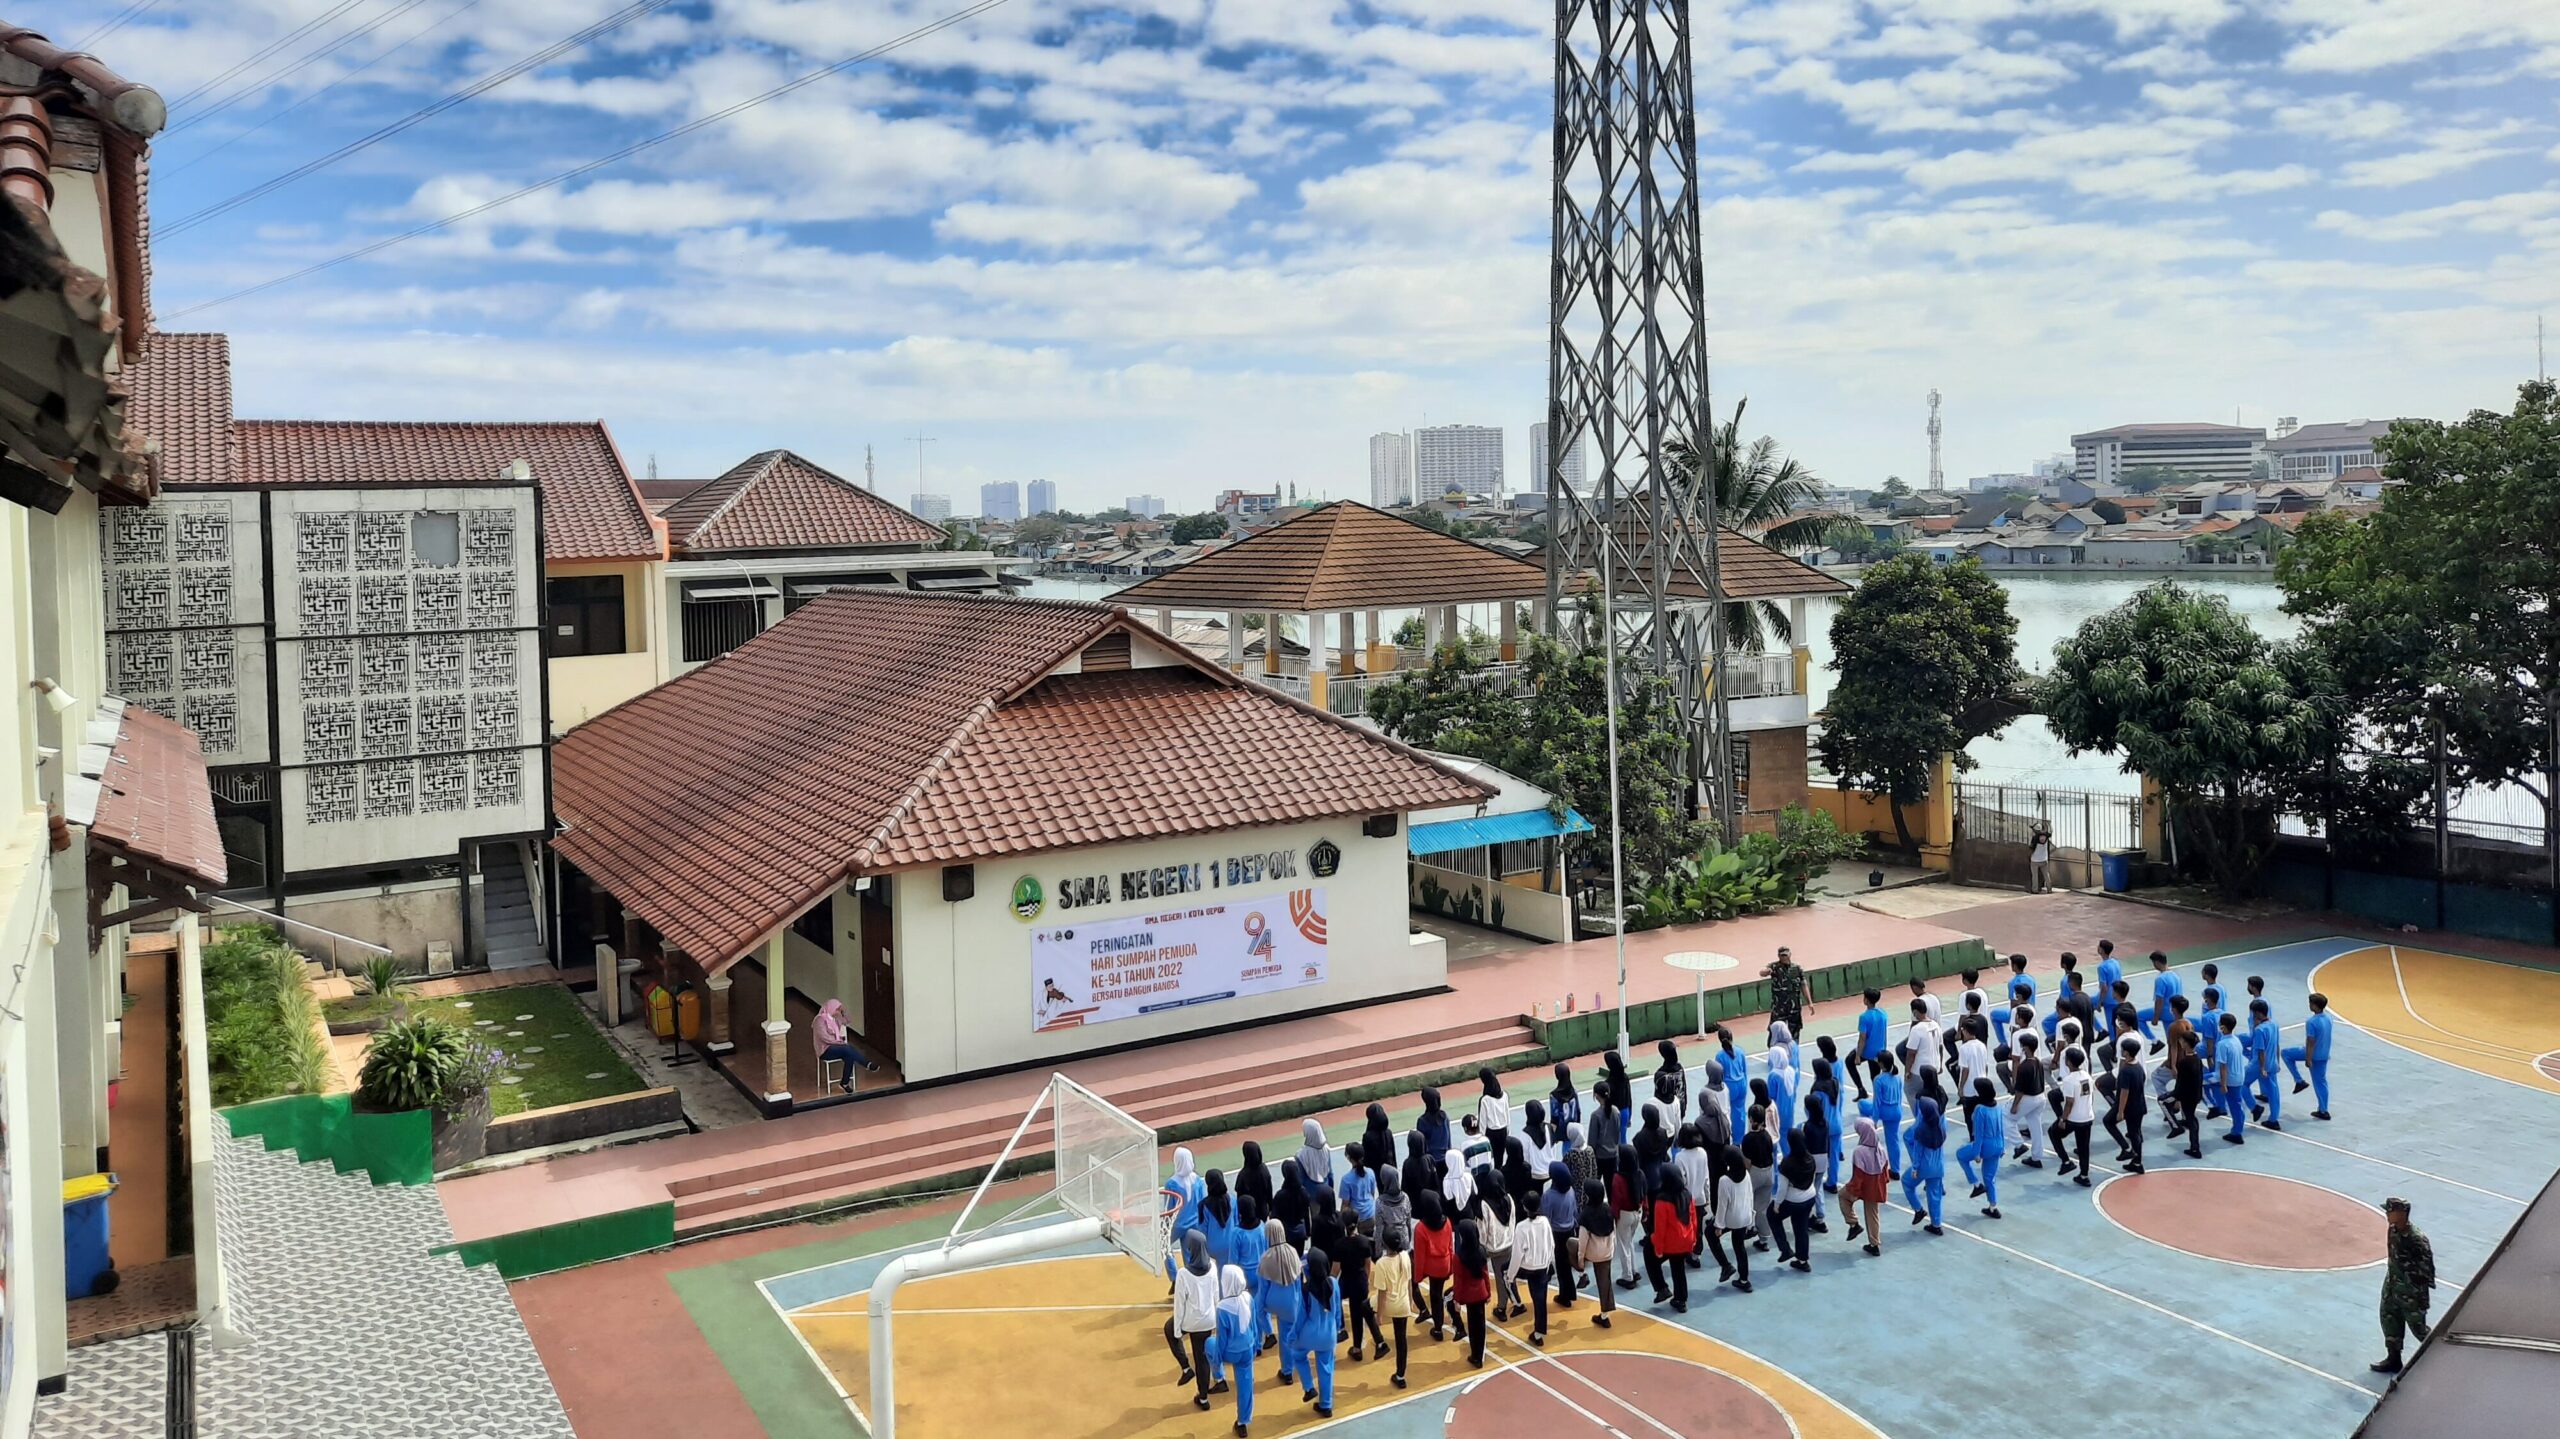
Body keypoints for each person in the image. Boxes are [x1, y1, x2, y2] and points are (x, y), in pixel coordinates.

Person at [2372, 1198, 2437, 1374]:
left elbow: (2426, 1270)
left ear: (2401, 1214)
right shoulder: (2392, 1230)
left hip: (2411, 1292)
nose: (2387, 1213)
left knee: (2419, 1329)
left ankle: (2440, 1361)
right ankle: (2394, 1359)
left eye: (2390, 1211)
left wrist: (2417, 1293)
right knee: (2389, 1320)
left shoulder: (2417, 1239)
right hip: (2393, 1285)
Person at [1167, 1229, 1221, 1409]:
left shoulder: (1183, 1274)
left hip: (1191, 1321)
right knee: (1202, 1359)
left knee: (1168, 1328)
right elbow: (1216, 1296)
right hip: (1209, 1320)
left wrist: (1177, 1332)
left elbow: (1179, 1305)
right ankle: (1203, 1399)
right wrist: (1217, 1321)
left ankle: (1185, 1367)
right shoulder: (1212, 1266)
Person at [1287, 1247, 1340, 1416]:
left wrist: (1292, 1335)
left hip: (1309, 1334)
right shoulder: (1334, 1283)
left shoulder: (1306, 1289)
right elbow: (1337, 1310)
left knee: (1297, 1354)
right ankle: (1326, 1405)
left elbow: (1300, 1318)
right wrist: (1337, 1327)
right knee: (1326, 1367)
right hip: (1329, 1334)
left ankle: (1309, 1387)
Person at [1253, 1222, 1303, 1387]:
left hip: (1274, 1302)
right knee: (1288, 1335)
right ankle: (1289, 1370)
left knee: (1259, 1310)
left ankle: (1268, 1334)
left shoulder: (1266, 1258)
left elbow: (1263, 1290)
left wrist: (1261, 1308)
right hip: (1293, 1302)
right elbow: (1299, 1281)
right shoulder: (1293, 1252)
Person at [1212, 1264, 1259, 1438]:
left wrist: (1217, 1361)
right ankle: (1242, 1422)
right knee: (1246, 1385)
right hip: (1247, 1349)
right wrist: (1255, 1346)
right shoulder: (1248, 1298)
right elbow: (1254, 1325)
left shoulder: (1222, 1307)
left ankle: (1219, 1377)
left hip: (1230, 1352)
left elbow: (1221, 1340)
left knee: (1209, 1343)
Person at [1644, 1161, 1699, 1310]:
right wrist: (1693, 1240)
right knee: (1678, 1268)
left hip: (1670, 1243)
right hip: (1686, 1241)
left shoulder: (1662, 1200)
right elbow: (1694, 1220)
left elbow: (1660, 1228)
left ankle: (1662, 1288)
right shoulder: (1687, 1195)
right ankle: (1681, 1300)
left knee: (1649, 1256)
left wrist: (1658, 1248)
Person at [1512, 1173, 1558, 1346]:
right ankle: (1539, 1332)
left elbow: (1517, 1255)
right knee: (1540, 1299)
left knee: (1505, 1273)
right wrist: (1549, 1263)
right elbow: (1551, 1244)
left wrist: (1511, 1275)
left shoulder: (1521, 1227)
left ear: (1524, 1207)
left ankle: (1516, 1302)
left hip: (1529, 1268)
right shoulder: (1545, 1222)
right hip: (1542, 1267)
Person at [1470, 1165, 1517, 1322]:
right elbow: (1513, 1221)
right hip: (1508, 1243)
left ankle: (1501, 1308)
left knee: (1499, 1277)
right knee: (1508, 1275)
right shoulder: (1509, 1199)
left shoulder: (1485, 1205)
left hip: (1493, 1247)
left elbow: (1483, 1231)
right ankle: (1516, 1301)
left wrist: (1481, 1247)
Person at [1956, 1077, 2008, 1218]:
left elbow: (1978, 1133)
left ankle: (1975, 1183)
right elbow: (2001, 1128)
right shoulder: (1997, 1106)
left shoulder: (1980, 1110)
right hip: (1998, 1145)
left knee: (1960, 1155)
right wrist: (2003, 1146)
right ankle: (1993, 1207)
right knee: (1989, 1178)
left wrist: (1977, 1153)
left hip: (1986, 1145)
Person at [1770, 1132, 1820, 1273]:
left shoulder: (1787, 1163)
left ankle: (1785, 1249)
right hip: (1809, 1197)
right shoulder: (1810, 1158)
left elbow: (1782, 1189)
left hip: (1793, 1200)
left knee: (1772, 1216)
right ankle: (1802, 1260)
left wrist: (1777, 1205)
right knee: (1801, 1228)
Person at [1370, 1227, 1414, 1388]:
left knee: (1363, 1307)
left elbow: (1382, 1293)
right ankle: (1400, 1375)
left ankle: (1380, 1342)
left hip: (1389, 1303)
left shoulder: (1382, 1263)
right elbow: (1409, 1282)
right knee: (1401, 1340)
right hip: (1403, 1304)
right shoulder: (1405, 1256)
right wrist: (1410, 1301)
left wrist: (1379, 1316)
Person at [1410, 1189, 1455, 1342]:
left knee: (1435, 1297)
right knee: (1438, 1293)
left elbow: (1419, 1256)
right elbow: (1450, 1246)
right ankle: (1439, 1324)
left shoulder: (1421, 1229)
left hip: (1432, 1267)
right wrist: (1451, 1267)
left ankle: (1438, 1328)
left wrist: (1417, 1277)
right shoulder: (1447, 1221)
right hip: (1445, 1263)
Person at [1840, 1117, 1889, 1257]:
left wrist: (1853, 1190)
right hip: (1876, 1186)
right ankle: (1874, 1244)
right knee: (1873, 1214)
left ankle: (1853, 1223)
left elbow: (1858, 1174)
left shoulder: (1859, 1151)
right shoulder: (1880, 1148)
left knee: (1842, 1196)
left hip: (1863, 1185)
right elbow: (1885, 1170)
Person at [2049, 1044, 2097, 1184]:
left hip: (2074, 1118)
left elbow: (2069, 1102)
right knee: (2084, 1147)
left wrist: (2063, 1119)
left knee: (2053, 1133)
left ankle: (2066, 1161)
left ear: (2069, 1062)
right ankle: (2084, 1175)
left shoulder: (2069, 1080)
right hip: (2087, 1116)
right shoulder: (2086, 1076)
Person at [2285, 991, 2336, 1120]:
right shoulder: (2329, 1018)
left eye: (2310, 1003)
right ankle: (2323, 1109)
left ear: (2315, 1006)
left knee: (2286, 1053)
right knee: (2321, 1082)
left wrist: (2308, 1058)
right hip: (2324, 1054)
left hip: (2314, 1055)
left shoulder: (2311, 1022)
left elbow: (2310, 1041)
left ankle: (2298, 1080)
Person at [1577, 1178, 1620, 1325]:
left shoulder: (1585, 1214)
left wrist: (1580, 1261)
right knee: (1605, 1281)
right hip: (1607, 1252)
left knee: (1570, 1244)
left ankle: (1582, 1275)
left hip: (1591, 1253)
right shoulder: (1609, 1209)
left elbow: (1582, 1242)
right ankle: (1604, 1315)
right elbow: (1613, 1231)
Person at [1901, 1096, 1947, 1234]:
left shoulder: (1920, 1129)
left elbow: (1918, 1152)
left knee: (1906, 1182)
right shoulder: (1941, 1127)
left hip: (1924, 1167)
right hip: (1939, 1166)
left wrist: (1915, 1168)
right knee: (1934, 1195)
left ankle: (1918, 1209)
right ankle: (1936, 1225)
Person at [1452, 1219, 1494, 1369]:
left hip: (1469, 1296)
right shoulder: (1481, 1250)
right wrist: (1488, 1292)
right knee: (1481, 1325)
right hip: (1481, 1292)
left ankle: (1475, 1355)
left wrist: (1457, 1299)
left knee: (1472, 1325)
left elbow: (1459, 1280)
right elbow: (1485, 1274)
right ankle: (1479, 1354)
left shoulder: (1459, 1256)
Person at [2006, 1030, 2051, 1169]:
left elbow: (2019, 1090)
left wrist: (2014, 1106)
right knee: (2035, 1125)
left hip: (2029, 1098)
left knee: (2006, 1118)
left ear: (2025, 1048)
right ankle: (2037, 1156)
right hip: (2040, 1097)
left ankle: (2019, 1145)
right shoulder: (2037, 1061)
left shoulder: (2024, 1066)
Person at [1540, 1160, 1581, 1311]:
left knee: (1561, 1266)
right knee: (1567, 1264)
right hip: (1570, 1230)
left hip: (1557, 1234)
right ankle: (1568, 1292)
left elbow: (1546, 1217)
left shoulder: (1549, 1195)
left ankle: (1566, 1295)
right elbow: (1575, 1211)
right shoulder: (1570, 1191)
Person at [2103, 1038, 2149, 1173]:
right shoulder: (2138, 1067)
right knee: (2135, 1133)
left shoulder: (2125, 1070)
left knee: (2108, 1121)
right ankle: (2137, 1162)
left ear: (2127, 1053)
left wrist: (2120, 1111)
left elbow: (2124, 1091)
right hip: (2139, 1104)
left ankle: (2126, 1148)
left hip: (2129, 1106)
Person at [1164, 1150, 1209, 1285]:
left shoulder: (1171, 1184)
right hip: (1195, 1223)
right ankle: (1192, 1279)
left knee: (1164, 1245)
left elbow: (1169, 1209)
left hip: (1178, 1224)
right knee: (1189, 1253)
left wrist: (1165, 1226)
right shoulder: (1198, 1181)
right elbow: (1203, 1203)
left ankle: (1174, 1276)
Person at [1861, 1049, 1907, 1177]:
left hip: (1885, 1111)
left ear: (1881, 1064)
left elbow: (1877, 1101)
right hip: (1897, 1111)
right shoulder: (1897, 1078)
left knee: (1862, 1105)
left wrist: (1874, 1120)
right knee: (1893, 1140)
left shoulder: (1878, 1079)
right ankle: (1896, 1170)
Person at [2170, 1009, 2207, 1159]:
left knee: (2190, 1119)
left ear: (2186, 1043)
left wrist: (2177, 1098)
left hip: (2187, 1096)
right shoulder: (2197, 1059)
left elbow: (2180, 1083)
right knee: (2192, 1118)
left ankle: (2194, 1146)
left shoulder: (2184, 1062)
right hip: (2195, 1094)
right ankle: (2194, 1145)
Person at [1741, 1102, 1779, 1251]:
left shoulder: (1748, 1138)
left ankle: (1748, 1228)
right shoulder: (1768, 1136)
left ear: (1751, 1119)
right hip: (1769, 1172)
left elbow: (1747, 1163)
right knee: (1762, 1207)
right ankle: (1764, 1239)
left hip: (1755, 1172)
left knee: (1747, 1202)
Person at [812, 998, 879, 1078]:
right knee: (847, 1049)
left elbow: (848, 1020)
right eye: (837, 1009)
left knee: (849, 1055)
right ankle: (867, 1064)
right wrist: (839, 1042)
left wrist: (844, 1011)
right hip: (825, 1050)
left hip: (838, 1047)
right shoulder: (819, 1020)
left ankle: (844, 1083)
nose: (838, 1012)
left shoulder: (836, 1018)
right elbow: (824, 1037)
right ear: (831, 1008)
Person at [2214, 1014, 2250, 1145]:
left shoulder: (2223, 1044)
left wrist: (2223, 1084)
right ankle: (2237, 1130)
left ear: (2223, 1027)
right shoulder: (2236, 1040)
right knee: (2237, 1104)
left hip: (2230, 1079)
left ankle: (2236, 1133)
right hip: (2239, 1076)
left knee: (2235, 1106)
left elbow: (2223, 1066)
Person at [2249, 999, 2285, 1131]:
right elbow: (2277, 1045)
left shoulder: (2259, 1030)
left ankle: (2254, 1107)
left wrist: (2262, 1068)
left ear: (2258, 1013)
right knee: (2274, 1091)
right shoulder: (2274, 1024)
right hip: (2273, 1063)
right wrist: (2277, 1062)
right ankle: (2273, 1119)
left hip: (2261, 1065)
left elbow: (2260, 1051)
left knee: (2243, 1084)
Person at [1763, 946, 1811, 1039]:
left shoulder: (1797, 968)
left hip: (1794, 1006)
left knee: (1794, 1033)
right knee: (1775, 1031)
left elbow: (1803, 985)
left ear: (1790, 955)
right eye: (1782, 956)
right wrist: (1766, 971)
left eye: (1785, 955)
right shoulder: (1774, 967)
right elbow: (1763, 972)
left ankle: (1793, 1050)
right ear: (1778, 956)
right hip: (1779, 1007)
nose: (1784, 958)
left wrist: (1810, 1002)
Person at [1766, 1025, 1801, 1152]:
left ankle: (1780, 1166)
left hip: (1777, 1111)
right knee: (1787, 1136)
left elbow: (1770, 1096)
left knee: (1775, 1140)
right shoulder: (1791, 1071)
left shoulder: (1774, 1075)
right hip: (1789, 1109)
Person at [1853, 989, 1890, 1100]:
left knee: (1849, 1061)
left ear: (1867, 1000)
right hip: (1880, 1050)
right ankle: (1880, 1098)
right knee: (1875, 1076)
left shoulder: (1864, 1017)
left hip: (1868, 1051)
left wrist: (1858, 1055)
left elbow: (1862, 1038)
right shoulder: (1883, 1013)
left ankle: (1861, 1089)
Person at [1715, 1027, 1752, 1134]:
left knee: (1725, 1112)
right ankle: (1738, 1140)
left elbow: (1719, 1076)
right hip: (1741, 1084)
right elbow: (1744, 1071)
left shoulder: (1720, 1056)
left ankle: (1727, 1136)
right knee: (1740, 1112)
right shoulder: (1740, 1051)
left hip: (1729, 1087)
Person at [1903, 998, 1944, 1093]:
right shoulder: (1936, 1025)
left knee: (1910, 1091)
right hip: (1934, 1067)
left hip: (1920, 1070)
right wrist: (1940, 1064)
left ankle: (1919, 1108)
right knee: (1931, 1092)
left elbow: (1911, 1053)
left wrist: (1907, 1071)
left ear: (1915, 1012)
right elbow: (1940, 1047)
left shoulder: (1916, 1029)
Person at [2143, 951, 2182, 1052]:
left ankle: (2154, 1040)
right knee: (2174, 1040)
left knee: (2138, 1016)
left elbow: (2159, 1001)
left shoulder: (2160, 979)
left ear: (2156, 962)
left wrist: (2156, 1018)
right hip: (2176, 1012)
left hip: (2165, 1012)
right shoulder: (2176, 976)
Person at [1236, 1141, 1277, 1225]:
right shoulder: (1264, 1170)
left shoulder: (1242, 1175)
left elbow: (1239, 1198)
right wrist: (1271, 1208)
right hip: (1263, 1211)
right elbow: (1269, 1191)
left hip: (1248, 1215)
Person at [1341, 1145, 1379, 1231]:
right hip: (1372, 1214)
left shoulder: (1346, 1179)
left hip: (1358, 1219)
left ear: (1350, 1159)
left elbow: (1345, 1204)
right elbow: (1372, 1194)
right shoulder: (1370, 1172)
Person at [1654, 1038, 1690, 1126]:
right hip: (1680, 1107)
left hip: (1666, 1111)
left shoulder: (1660, 1074)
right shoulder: (1680, 1068)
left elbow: (1658, 1094)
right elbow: (1684, 1088)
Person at [1415, 1088, 1453, 1170]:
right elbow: (1449, 1140)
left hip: (1431, 1164)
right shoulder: (1444, 1116)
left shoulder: (1422, 1121)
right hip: (1447, 1160)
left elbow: (1421, 1146)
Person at [2094, 940, 2123, 1043]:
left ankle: (2101, 1031)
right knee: (2116, 1023)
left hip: (2108, 998)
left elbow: (2104, 988)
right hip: (2118, 995)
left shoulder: (2102, 967)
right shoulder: (2116, 962)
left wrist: (2099, 1003)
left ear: (2101, 950)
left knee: (2087, 1006)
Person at [1360, 1103, 1397, 1175]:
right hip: (1389, 1170)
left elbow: (1366, 1160)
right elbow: (1393, 1154)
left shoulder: (1367, 1137)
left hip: (1375, 1173)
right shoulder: (1388, 1133)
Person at [1549, 1061, 1584, 1133]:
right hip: (1574, 1129)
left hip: (1561, 1131)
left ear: (1557, 1076)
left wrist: (1552, 1136)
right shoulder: (1574, 1092)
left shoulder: (1553, 1095)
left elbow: (1554, 1118)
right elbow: (1578, 1111)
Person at [2028, 821, 2053, 892]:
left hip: (2035, 860)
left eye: (2033, 829)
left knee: (2035, 876)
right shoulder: (2046, 836)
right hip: (2044, 859)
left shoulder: (2035, 838)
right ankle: (2049, 889)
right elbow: (2050, 832)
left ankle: (2035, 890)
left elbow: (2031, 849)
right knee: (2046, 875)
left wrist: (2029, 856)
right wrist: (2048, 825)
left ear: (2035, 830)